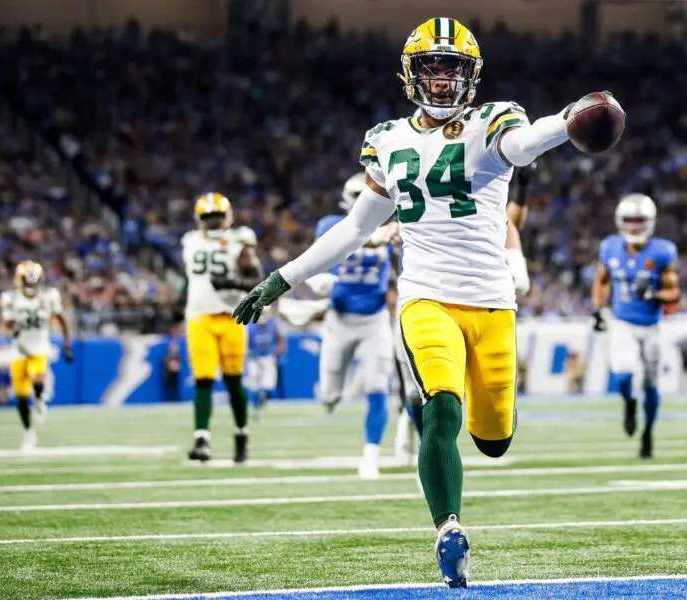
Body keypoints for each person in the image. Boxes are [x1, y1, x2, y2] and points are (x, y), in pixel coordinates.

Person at [233, 17, 618, 587]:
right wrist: (282, 278)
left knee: (494, 440)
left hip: (490, 303)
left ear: (471, 75)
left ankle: (456, 459)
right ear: (411, 76)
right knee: (439, 406)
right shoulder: (386, 138)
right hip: (424, 297)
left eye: (452, 68)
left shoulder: (493, 121)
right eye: (431, 68)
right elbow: (355, 228)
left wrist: (567, 121)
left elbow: (526, 141)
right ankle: (449, 531)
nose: (441, 80)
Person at [314, 173, 400, 479]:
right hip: (339, 319)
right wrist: (320, 282)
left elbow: (399, 270)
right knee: (329, 393)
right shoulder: (329, 226)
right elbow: (317, 263)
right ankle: (333, 395)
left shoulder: (392, 229)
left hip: (374, 319)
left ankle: (370, 456)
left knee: (378, 386)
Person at [591, 194, 680, 459]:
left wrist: (654, 294)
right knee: (623, 374)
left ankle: (648, 432)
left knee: (652, 384)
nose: (634, 226)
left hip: (651, 326)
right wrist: (598, 309)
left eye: (639, 220)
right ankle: (630, 403)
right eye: (629, 220)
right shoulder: (609, 247)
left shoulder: (662, 251)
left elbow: (674, 293)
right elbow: (602, 280)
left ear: (649, 222)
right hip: (622, 323)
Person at [181, 193, 263, 463]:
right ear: (200, 220)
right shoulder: (190, 241)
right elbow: (192, 280)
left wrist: (232, 283)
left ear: (227, 217)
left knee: (233, 382)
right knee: (203, 380)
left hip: (231, 316)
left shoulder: (241, 240)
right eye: (208, 218)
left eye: (217, 217)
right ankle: (201, 440)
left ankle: (242, 435)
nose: (214, 223)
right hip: (199, 316)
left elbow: (256, 277)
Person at [0, 261, 73, 451]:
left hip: (39, 347)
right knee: (22, 397)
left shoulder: (48, 296)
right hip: (19, 350)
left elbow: (61, 319)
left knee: (37, 378)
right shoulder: (10, 298)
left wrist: (67, 344)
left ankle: (39, 399)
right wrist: (10, 326)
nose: (29, 283)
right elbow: (6, 328)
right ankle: (29, 432)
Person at [245, 310, 285, 419]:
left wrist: (278, 350)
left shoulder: (273, 325)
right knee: (254, 384)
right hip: (253, 359)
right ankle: (254, 408)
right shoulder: (250, 327)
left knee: (268, 385)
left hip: (268, 358)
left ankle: (263, 400)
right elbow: (245, 344)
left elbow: (281, 339)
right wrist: (248, 353)